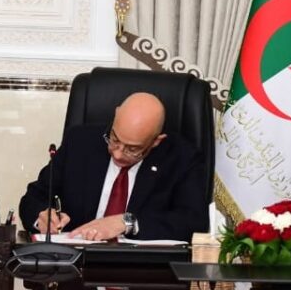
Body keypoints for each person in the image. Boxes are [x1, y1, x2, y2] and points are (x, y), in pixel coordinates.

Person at [19, 92, 209, 242]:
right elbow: (34, 197)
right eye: (114, 140)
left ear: (156, 141)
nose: (117, 154)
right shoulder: (79, 142)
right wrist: (42, 216)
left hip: (143, 271)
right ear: (116, 114)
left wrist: (127, 222)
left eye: (132, 149)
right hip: (77, 265)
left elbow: (193, 221)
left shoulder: (182, 158)